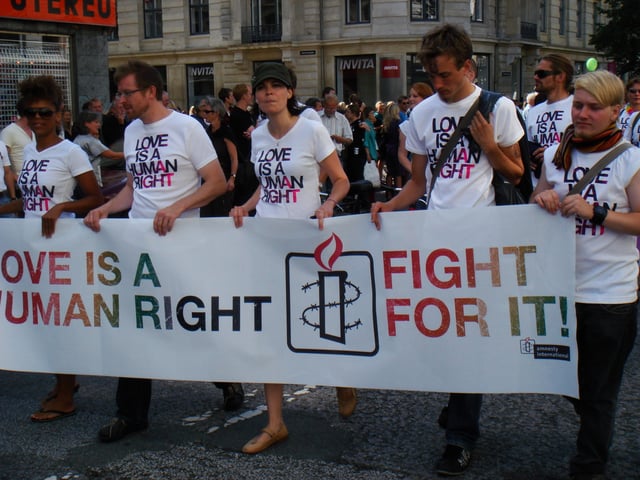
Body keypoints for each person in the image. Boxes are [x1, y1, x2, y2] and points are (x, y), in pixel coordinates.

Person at [370, 24, 524, 476]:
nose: (438, 85)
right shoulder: (421, 115)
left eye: (445, 76)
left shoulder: (499, 107)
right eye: (431, 76)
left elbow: (516, 174)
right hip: (436, 243)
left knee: (470, 338)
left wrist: (489, 146)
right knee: (441, 335)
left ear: (468, 67)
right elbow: (418, 181)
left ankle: (460, 436)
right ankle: (460, 401)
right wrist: (389, 204)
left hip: (482, 241)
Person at [83, 60, 227, 443]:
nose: (121, 101)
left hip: (184, 244)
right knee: (135, 322)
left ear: (150, 92)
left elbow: (216, 183)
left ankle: (226, 376)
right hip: (140, 244)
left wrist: (178, 207)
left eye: (127, 93)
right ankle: (130, 413)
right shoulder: (131, 132)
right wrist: (106, 207)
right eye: (119, 93)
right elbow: (135, 189)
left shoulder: (187, 127)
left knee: (191, 320)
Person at [230, 62, 350, 455]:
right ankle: (275, 423)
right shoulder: (259, 135)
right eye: (261, 87)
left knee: (317, 320)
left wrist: (329, 204)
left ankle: (341, 376)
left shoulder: (312, 129)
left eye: (276, 87)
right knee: (272, 331)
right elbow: (267, 187)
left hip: (306, 244)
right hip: (267, 241)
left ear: (289, 92)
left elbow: (340, 179)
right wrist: (245, 206)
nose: (268, 93)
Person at [531, 70, 640, 480]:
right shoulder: (561, 152)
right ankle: (592, 426)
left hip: (609, 294)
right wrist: (540, 196)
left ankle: (588, 466)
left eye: (594, 107)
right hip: (558, 288)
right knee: (560, 378)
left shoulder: (630, 158)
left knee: (598, 391)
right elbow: (537, 195)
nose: (583, 113)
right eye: (578, 105)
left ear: (615, 111)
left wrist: (596, 211)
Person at [0, 75, 104, 421]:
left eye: (45, 112)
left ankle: (65, 395)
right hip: (32, 246)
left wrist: (61, 208)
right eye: (30, 112)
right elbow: (30, 201)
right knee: (45, 319)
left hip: (61, 247)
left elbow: (94, 197)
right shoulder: (29, 150)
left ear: (59, 114)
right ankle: (64, 384)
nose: (37, 118)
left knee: (60, 320)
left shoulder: (71, 151)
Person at [526, 54, 574, 183]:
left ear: (560, 76)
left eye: (541, 74)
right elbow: (527, 145)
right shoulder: (533, 112)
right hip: (538, 187)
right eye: (535, 73)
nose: (535, 77)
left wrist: (555, 152)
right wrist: (528, 158)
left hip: (567, 185)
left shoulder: (577, 108)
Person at [73, 110, 125, 186]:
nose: (99, 125)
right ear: (87, 124)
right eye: (96, 122)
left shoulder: (78, 138)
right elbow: (112, 155)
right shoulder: (90, 141)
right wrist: (130, 154)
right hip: (91, 180)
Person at [229, 83, 258, 206]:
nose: (252, 96)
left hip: (248, 159)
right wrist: (255, 133)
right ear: (244, 96)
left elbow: (254, 132)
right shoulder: (237, 114)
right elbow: (253, 132)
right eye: (250, 94)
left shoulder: (246, 114)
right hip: (243, 162)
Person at [399, 83, 434, 175]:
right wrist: (417, 174)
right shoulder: (406, 125)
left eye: (415, 96)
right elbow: (402, 155)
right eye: (410, 96)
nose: (410, 99)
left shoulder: (438, 120)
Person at [0, 100, 35, 175]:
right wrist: (12, 176)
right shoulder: (9, 131)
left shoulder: (35, 130)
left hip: (37, 178)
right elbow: (2, 160)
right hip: (19, 180)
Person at [320, 94, 353, 161]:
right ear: (324, 105)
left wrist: (341, 139)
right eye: (329, 108)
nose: (331, 110)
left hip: (337, 156)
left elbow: (350, 139)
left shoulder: (342, 119)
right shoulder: (316, 116)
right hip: (319, 157)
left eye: (333, 108)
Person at [0, 140, 17, 217]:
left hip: (3, 197)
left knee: (11, 227)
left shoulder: (1, 144)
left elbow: (7, 172)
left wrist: (13, 197)